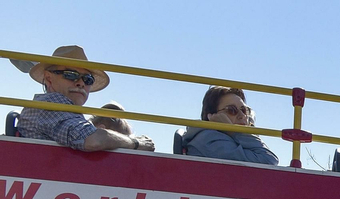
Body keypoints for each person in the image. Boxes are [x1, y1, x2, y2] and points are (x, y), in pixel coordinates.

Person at [13, 45, 153, 152]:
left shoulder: (63, 111)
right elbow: (92, 140)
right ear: (49, 79)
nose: (81, 83)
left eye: (88, 79)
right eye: (70, 74)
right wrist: (135, 143)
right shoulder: (51, 105)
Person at [178, 86, 279, 165]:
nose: (242, 116)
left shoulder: (231, 138)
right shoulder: (209, 139)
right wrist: (235, 131)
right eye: (231, 110)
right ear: (213, 116)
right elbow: (269, 160)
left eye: (244, 110)